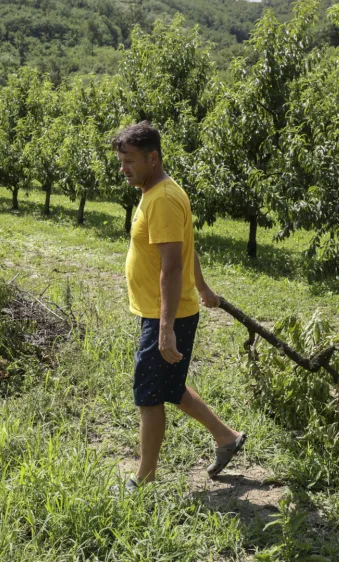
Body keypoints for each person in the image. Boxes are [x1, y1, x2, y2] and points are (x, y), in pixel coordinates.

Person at [112, 121, 246, 491]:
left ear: (153, 158)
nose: (123, 169)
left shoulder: (164, 199)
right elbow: (186, 249)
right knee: (170, 387)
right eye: (121, 161)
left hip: (164, 313)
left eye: (130, 161)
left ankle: (145, 478)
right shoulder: (154, 191)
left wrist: (166, 328)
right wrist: (203, 287)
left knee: (148, 394)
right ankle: (227, 438)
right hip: (164, 311)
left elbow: (172, 266)